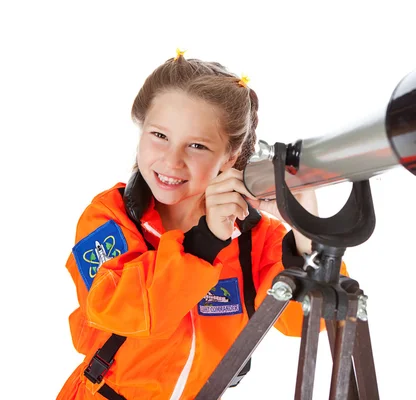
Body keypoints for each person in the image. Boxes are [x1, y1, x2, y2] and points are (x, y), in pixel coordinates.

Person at [57, 49, 348, 399]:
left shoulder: (255, 238)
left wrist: (303, 228)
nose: (171, 160)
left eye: (196, 145)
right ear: (141, 129)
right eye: (159, 136)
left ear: (230, 156)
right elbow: (122, 311)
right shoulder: (110, 217)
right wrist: (205, 242)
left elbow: (305, 320)